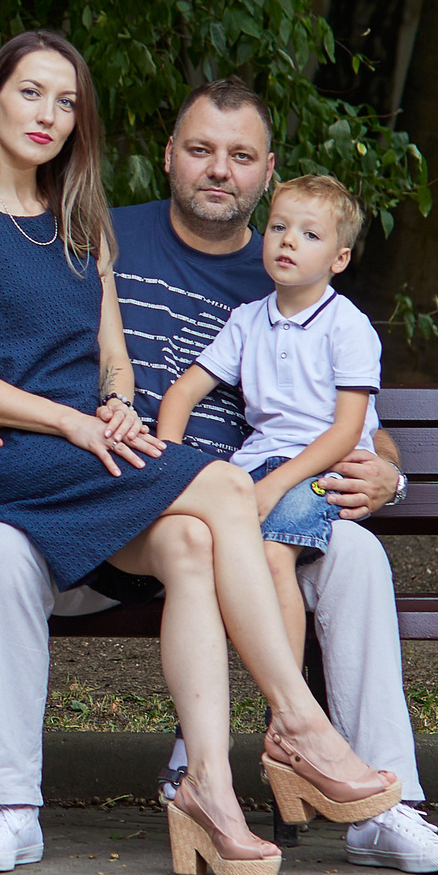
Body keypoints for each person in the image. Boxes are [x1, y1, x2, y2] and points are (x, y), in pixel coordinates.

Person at [0, 79, 438, 875]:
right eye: (199, 149)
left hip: (233, 529)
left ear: (267, 171)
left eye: (240, 155)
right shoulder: (94, 233)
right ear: (168, 157)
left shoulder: (292, 259)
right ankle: (8, 805)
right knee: (2, 551)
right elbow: (12, 328)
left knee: (358, 557)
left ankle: (384, 811)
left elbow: (359, 419)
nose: (217, 169)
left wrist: (388, 473)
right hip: (97, 497)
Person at [157, 173, 381, 674]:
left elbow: (347, 431)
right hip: (255, 465)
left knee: (270, 554)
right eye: (279, 226)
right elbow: (183, 392)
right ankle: (198, 725)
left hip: (325, 471)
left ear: (338, 259)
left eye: (310, 234)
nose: (288, 241)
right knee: (203, 562)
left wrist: (274, 486)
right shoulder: (247, 320)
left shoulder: (348, 327)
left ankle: (289, 706)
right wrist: (167, 468)